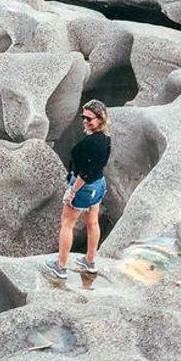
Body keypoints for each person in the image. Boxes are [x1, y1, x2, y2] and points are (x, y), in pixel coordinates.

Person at [46, 100, 111, 279]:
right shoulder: (106, 139)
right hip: (98, 185)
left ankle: (60, 267)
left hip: (84, 186)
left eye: (90, 118)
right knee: (92, 222)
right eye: (84, 117)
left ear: (100, 119)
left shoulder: (90, 143)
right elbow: (98, 166)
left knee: (67, 224)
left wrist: (72, 191)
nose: (85, 121)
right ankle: (89, 261)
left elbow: (84, 173)